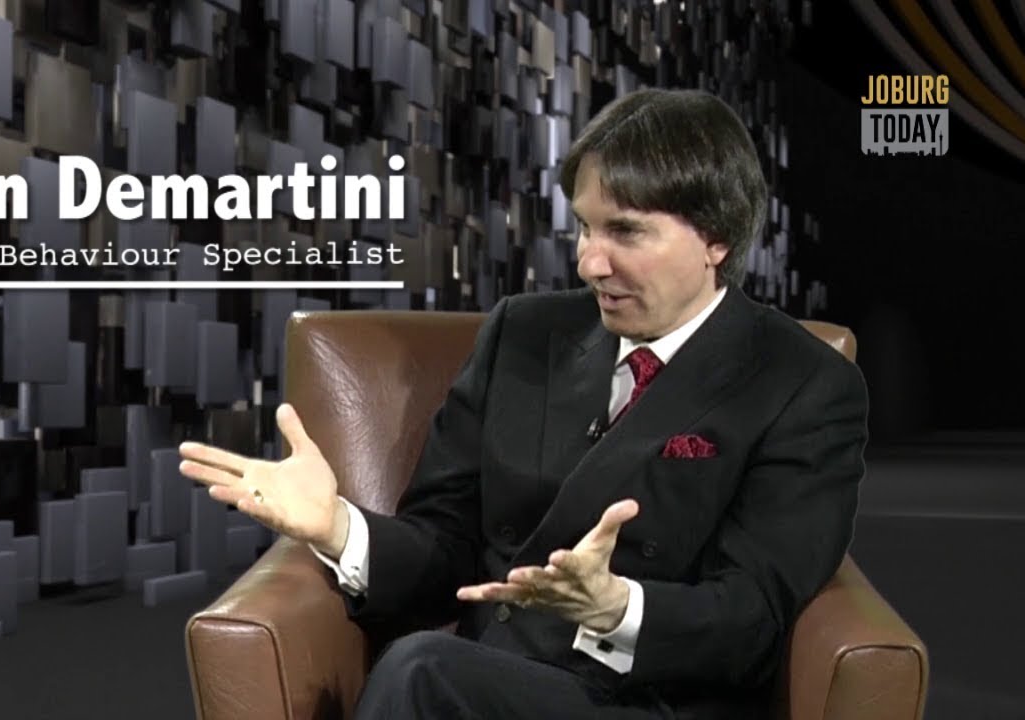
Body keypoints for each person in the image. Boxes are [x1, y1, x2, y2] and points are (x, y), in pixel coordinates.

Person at [178, 88, 869, 719]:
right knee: (425, 671)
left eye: (625, 232)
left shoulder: (804, 384)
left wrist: (615, 608)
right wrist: (338, 528)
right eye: (586, 228)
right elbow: (445, 547)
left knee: (422, 673)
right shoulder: (524, 333)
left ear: (716, 238)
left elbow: (753, 615)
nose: (590, 262)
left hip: (654, 698)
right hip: (494, 678)